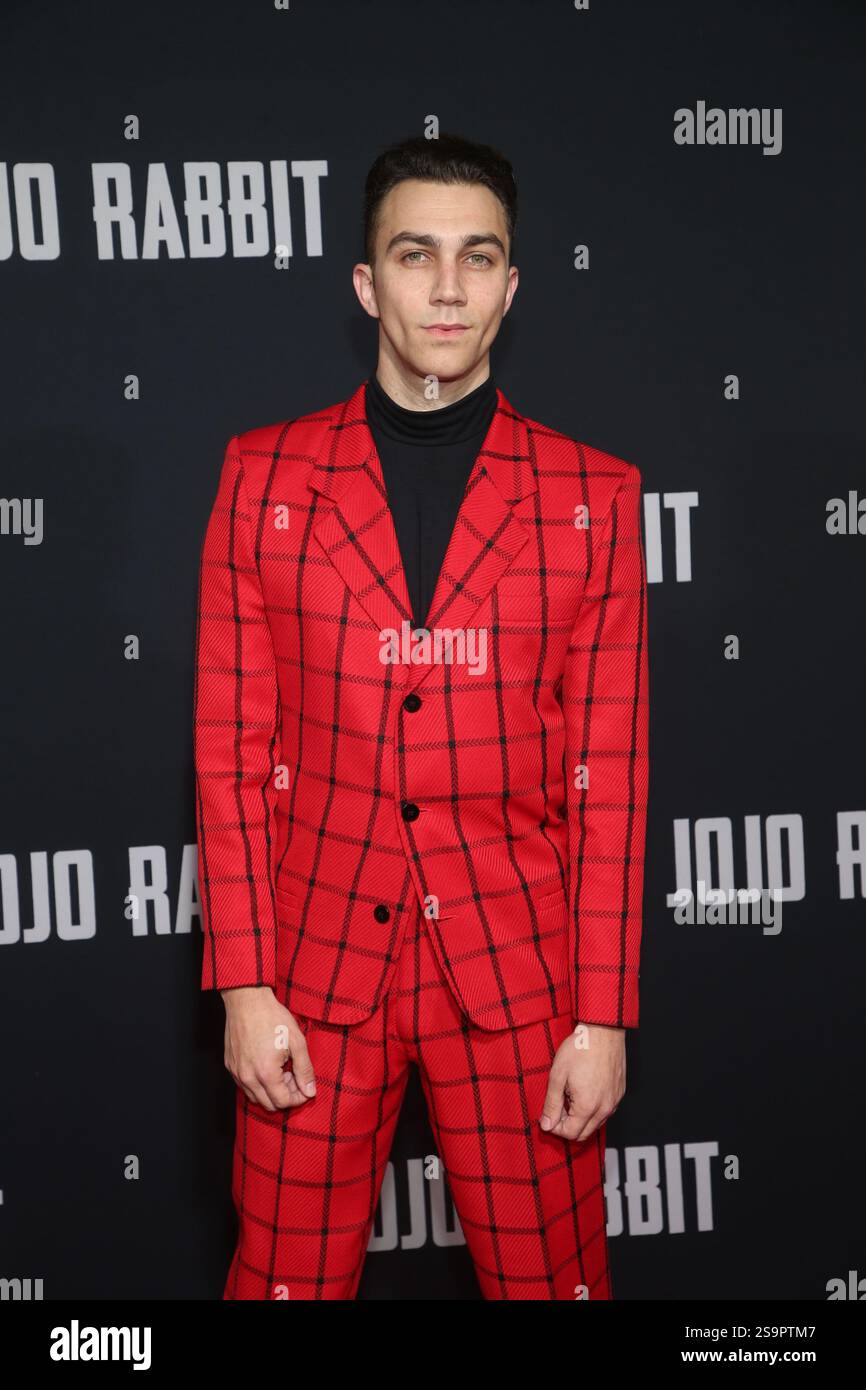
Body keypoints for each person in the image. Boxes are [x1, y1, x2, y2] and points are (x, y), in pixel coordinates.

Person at [193, 131, 650, 1300]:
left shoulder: (595, 496)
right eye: (414, 254)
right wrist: (244, 984)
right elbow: (231, 752)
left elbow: (611, 770)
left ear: (510, 284)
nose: (445, 286)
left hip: (520, 979)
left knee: (553, 1285)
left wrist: (599, 1010)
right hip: (310, 973)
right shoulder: (262, 477)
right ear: (366, 283)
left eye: (475, 256)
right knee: (281, 1282)